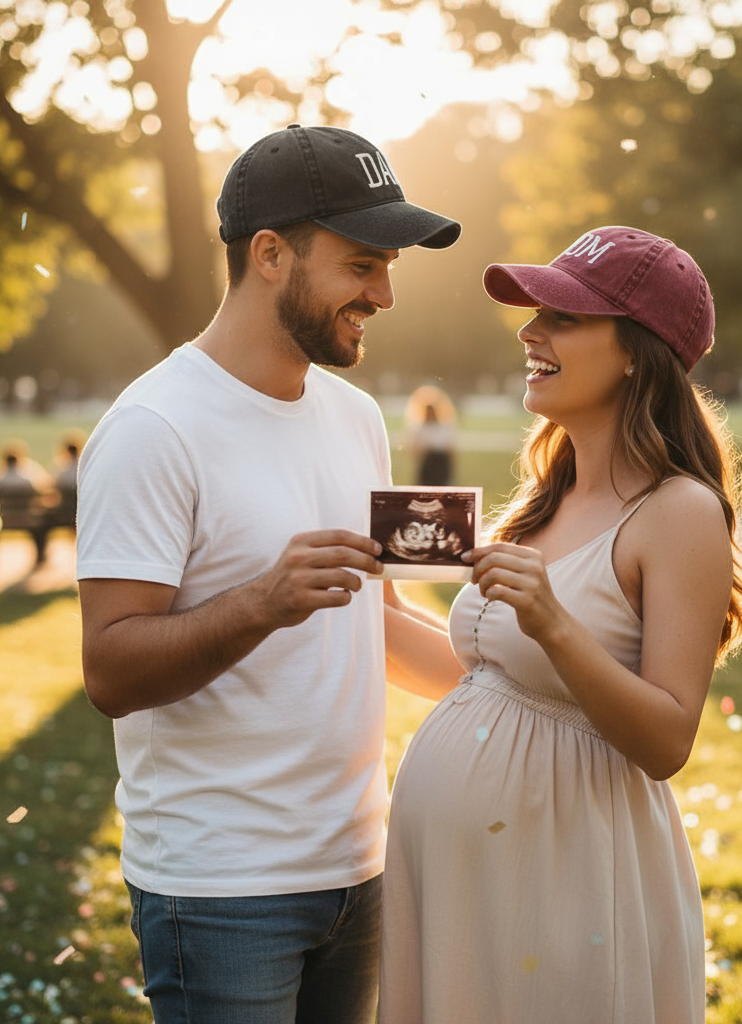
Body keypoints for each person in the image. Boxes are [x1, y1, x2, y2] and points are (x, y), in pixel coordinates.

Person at [75, 123, 460, 1024]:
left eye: (390, 266)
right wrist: (261, 603)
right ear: (272, 253)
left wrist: (527, 670)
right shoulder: (153, 430)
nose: (387, 293)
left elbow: (378, 621)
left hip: (360, 865)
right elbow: (111, 670)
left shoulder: (357, 417)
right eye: (364, 265)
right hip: (221, 892)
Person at [379, 226, 742, 1022]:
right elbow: (491, 685)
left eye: (564, 316)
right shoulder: (541, 501)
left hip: (561, 881)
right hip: (465, 883)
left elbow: (666, 741)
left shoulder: (679, 513)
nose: (532, 331)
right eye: (536, 312)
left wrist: (554, 621)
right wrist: (368, 603)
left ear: (636, 350)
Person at [0, 440, 54, 564]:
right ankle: (41, 555)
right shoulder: (27, 479)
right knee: (42, 522)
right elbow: (42, 492)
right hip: (28, 519)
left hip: (5, 519)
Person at [403, 384, 457, 486]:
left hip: (442, 463)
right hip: (428, 463)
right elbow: (415, 450)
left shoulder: (445, 427)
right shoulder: (419, 428)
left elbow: (450, 449)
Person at [50, 428, 86, 529]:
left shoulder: (61, 470)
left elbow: (52, 487)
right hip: (83, 511)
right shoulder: (85, 468)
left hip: (63, 512)